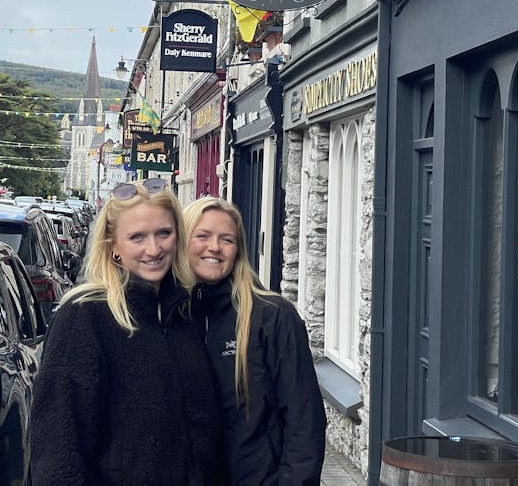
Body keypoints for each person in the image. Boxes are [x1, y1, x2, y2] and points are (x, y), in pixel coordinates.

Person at [30, 178, 224, 485]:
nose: (154, 248)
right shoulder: (84, 315)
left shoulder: (186, 312)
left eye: (164, 233)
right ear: (114, 247)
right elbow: (58, 447)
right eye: (137, 237)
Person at [183, 197, 327, 486]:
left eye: (227, 240)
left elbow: (304, 421)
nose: (214, 247)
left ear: (238, 251)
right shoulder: (172, 316)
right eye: (202, 236)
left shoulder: (272, 317)